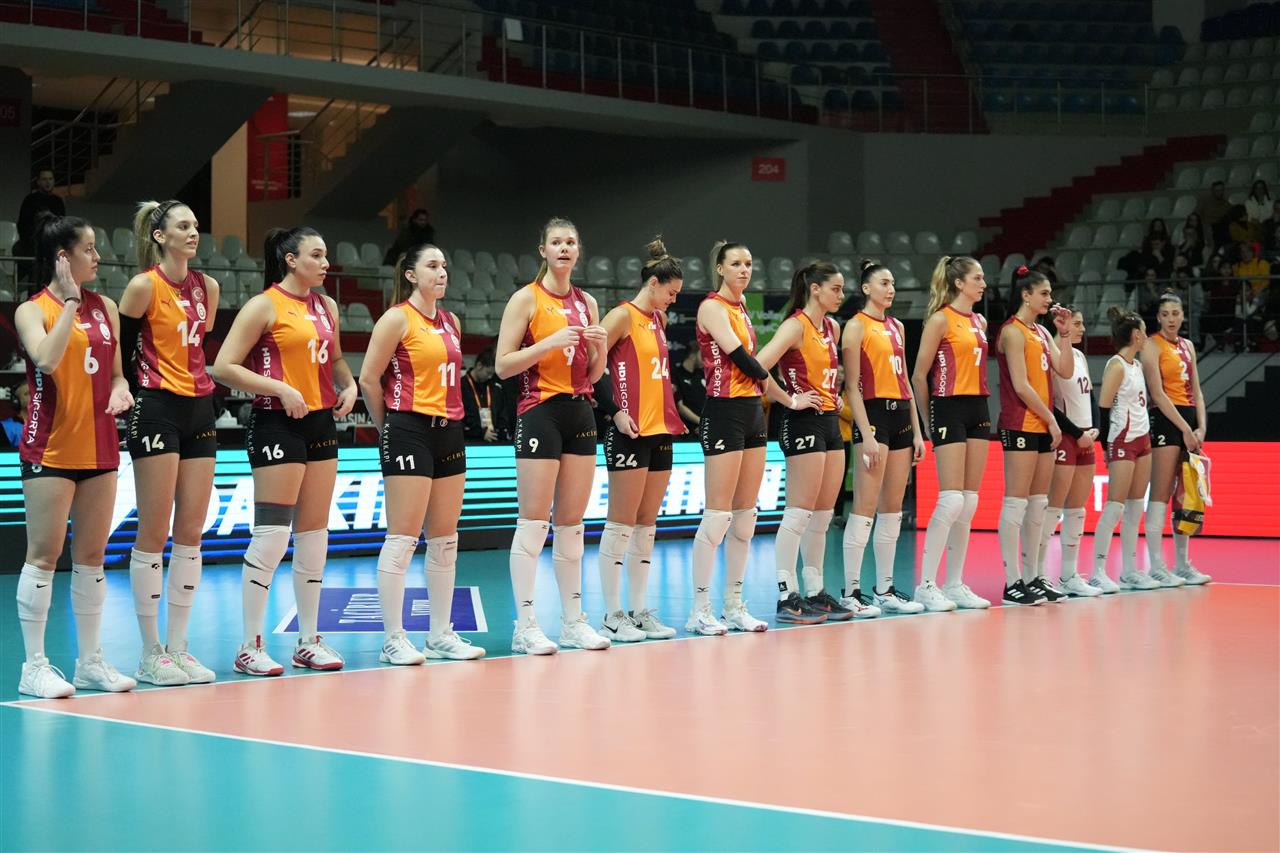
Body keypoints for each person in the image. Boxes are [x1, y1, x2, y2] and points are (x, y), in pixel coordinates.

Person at [210, 227, 359, 675]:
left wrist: (349, 385)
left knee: (314, 536)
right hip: (276, 423)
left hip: (320, 423)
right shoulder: (264, 305)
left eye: (326, 254)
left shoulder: (327, 306)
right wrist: (279, 388)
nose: (326, 263)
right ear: (291, 260)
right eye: (317, 255)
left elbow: (334, 359)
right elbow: (223, 367)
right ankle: (249, 646)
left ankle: (308, 641)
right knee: (273, 535)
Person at [14, 213, 136, 697]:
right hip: (51, 445)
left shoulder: (107, 307)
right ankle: (34, 667)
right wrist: (68, 301)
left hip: (100, 445)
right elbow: (46, 359)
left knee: (91, 558)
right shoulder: (32, 310)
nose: (98, 257)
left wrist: (122, 389)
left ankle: (90, 662)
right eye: (89, 249)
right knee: (44, 556)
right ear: (63, 258)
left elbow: (117, 373)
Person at [359, 242, 484, 663]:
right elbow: (368, 379)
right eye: (432, 265)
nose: (442, 272)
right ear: (411, 275)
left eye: (444, 265)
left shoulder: (451, 321)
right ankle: (393, 638)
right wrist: (389, 428)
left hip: (449, 431)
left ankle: (440, 634)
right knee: (403, 538)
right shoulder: (397, 318)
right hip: (408, 428)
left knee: (445, 540)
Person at [688, 240, 819, 635]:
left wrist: (788, 400)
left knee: (746, 517)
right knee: (718, 516)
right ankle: (700, 610)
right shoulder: (712, 307)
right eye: (736, 264)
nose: (744, 270)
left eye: (748, 263)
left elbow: (758, 374)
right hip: (723, 411)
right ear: (720, 268)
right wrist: (786, 394)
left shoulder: (743, 307)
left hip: (751, 412)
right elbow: (745, 362)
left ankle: (734, 606)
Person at [116, 199, 221, 686]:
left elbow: (198, 345)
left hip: (199, 408)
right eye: (183, 226)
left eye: (195, 225)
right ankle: (149, 652)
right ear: (160, 236)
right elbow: (121, 350)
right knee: (153, 532)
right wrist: (125, 392)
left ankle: (179, 647)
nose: (193, 232)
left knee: (191, 533)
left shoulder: (209, 288)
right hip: (156, 407)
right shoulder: (144, 286)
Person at [494, 217, 610, 654]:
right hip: (539, 411)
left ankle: (573, 622)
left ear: (578, 251)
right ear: (542, 250)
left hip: (580, 411)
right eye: (556, 242)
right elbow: (503, 365)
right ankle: (525, 625)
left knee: (572, 525)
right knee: (533, 522)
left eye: (571, 242)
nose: (564, 248)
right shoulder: (526, 298)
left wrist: (600, 347)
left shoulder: (587, 302)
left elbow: (594, 374)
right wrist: (549, 343)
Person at [755, 261, 876, 622]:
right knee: (799, 513)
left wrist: (833, 396)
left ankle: (815, 591)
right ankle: (786, 595)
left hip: (828, 423)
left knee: (822, 516)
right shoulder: (795, 325)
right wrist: (790, 399)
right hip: (801, 422)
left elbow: (827, 374)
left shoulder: (832, 327)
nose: (841, 294)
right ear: (815, 289)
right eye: (835, 288)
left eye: (842, 288)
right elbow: (758, 366)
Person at [594, 238, 687, 643]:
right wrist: (615, 411)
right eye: (671, 292)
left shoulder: (658, 321)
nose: (673, 300)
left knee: (647, 526)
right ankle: (612, 615)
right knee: (620, 524)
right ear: (653, 283)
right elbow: (592, 368)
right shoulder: (621, 316)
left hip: (660, 430)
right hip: (629, 431)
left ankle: (638, 610)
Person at [839, 260, 927, 615]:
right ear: (866, 288)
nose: (891, 289)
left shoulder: (898, 327)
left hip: (901, 417)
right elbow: (851, 387)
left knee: (892, 509)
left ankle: (885, 589)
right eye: (884, 283)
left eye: (892, 284)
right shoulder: (855, 326)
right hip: (873, 417)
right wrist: (866, 434)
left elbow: (905, 381)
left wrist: (918, 432)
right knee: (864, 508)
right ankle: (850, 591)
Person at [910, 255, 994, 610]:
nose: (984, 284)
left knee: (970, 500)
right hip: (948, 406)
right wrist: (927, 422)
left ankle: (955, 583)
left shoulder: (980, 320)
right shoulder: (941, 319)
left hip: (979, 406)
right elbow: (918, 375)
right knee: (951, 499)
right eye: (977, 278)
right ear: (959, 283)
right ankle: (926, 585)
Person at [995, 266, 1074, 605]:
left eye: (1050, 293)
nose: (1049, 299)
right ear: (1026, 295)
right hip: (1020, 423)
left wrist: (1064, 334)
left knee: (1039, 504)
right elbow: (1021, 385)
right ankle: (1012, 582)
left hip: (1041, 425)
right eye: (1044, 293)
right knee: (1016, 502)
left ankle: (1034, 577)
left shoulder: (1041, 332)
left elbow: (1065, 370)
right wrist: (1052, 420)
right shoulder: (1012, 331)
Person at [1140, 293, 1211, 585]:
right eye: (1165, 314)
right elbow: (1157, 393)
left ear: (1183, 316)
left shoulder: (1188, 346)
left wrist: (1201, 427)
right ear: (1158, 317)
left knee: (1185, 493)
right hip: (1166, 420)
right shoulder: (1151, 345)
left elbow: (1198, 391)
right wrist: (1184, 428)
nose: (1171, 319)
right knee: (1161, 492)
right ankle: (1157, 566)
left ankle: (1183, 564)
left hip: (1189, 421)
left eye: (1175, 313)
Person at [1090, 307, 1160, 592]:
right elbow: (1103, 408)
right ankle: (1097, 571)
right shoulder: (1116, 366)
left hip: (1143, 440)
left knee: (1134, 508)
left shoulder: (1137, 366)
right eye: (1144, 331)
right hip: (1122, 441)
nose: (1147, 336)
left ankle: (1130, 571)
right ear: (1135, 335)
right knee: (1114, 507)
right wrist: (1106, 447)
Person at [1037, 306, 1102, 597]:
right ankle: (1038, 575)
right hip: (1066, 438)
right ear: (1062, 324)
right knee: (1053, 508)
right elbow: (1050, 404)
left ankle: (1069, 575)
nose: (1082, 328)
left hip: (1086, 439)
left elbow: (1091, 396)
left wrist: (1095, 430)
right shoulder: (1052, 355)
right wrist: (1077, 434)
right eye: (1077, 323)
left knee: (1077, 510)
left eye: (1082, 323)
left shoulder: (1079, 356)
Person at [461, 347, 503, 442]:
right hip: (470, 440)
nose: (490, 377)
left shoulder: (493, 386)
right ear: (479, 366)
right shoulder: (461, 386)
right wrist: (480, 433)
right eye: (488, 373)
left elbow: (501, 413)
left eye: (492, 374)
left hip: (493, 438)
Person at [670, 342, 705, 435]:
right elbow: (680, 407)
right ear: (693, 355)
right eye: (702, 354)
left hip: (706, 429)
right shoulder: (676, 375)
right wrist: (702, 423)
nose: (705, 359)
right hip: (687, 431)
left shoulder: (702, 374)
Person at [1197, 181, 1232, 246]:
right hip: (1207, 227)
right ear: (1212, 191)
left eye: (1221, 190)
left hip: (1221, 229)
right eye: (1217, 190)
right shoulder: (1205, 202)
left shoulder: (1227, 205)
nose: (1220, 192)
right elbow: (1197, 215)